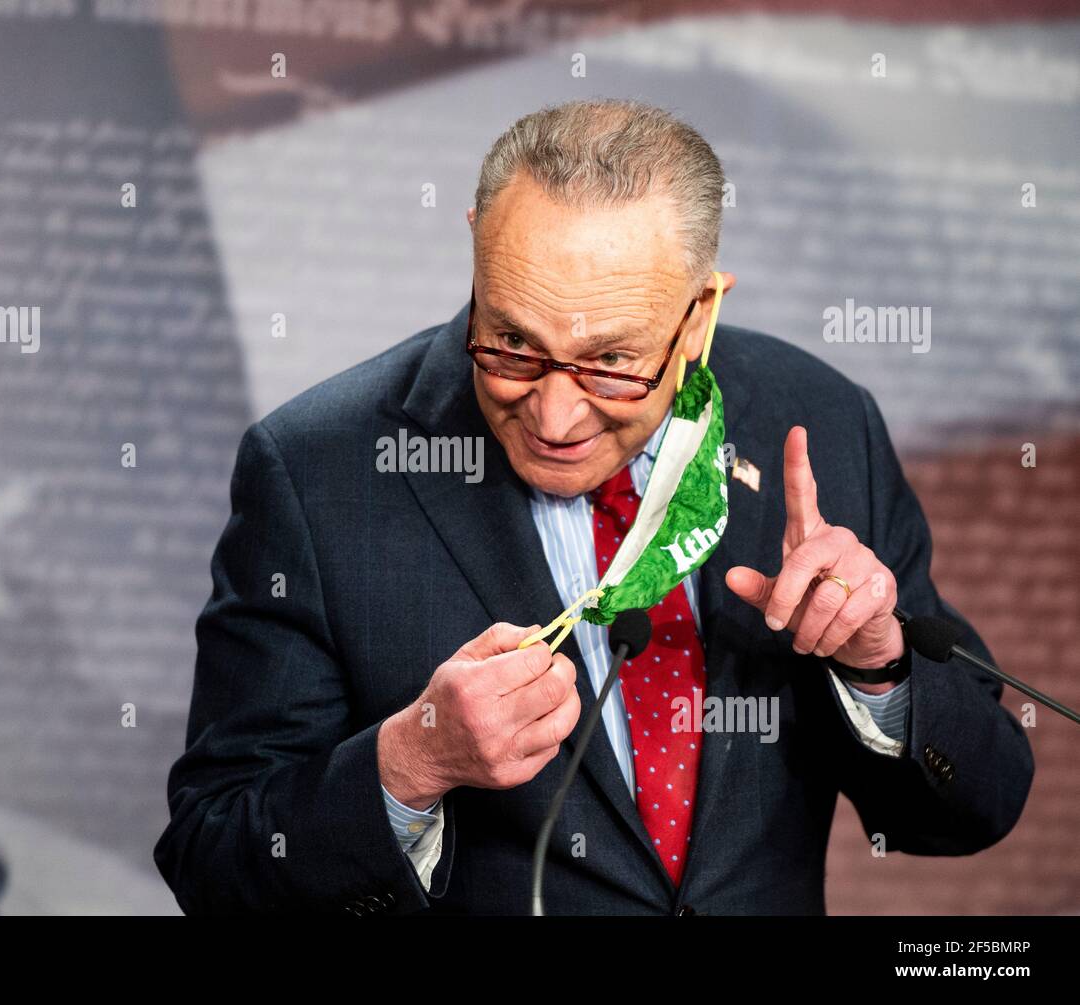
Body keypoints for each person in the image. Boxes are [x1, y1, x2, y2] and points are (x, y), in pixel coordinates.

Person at [154, 98, 1033, 915]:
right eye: (511, 344)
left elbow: (976, 806)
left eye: (612, 361)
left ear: (701, 313)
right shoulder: (318, 471)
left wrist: (879, 669)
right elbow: (213, 852)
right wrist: (410, 763)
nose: (554, 415)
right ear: (476, 248)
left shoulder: (823, 422)